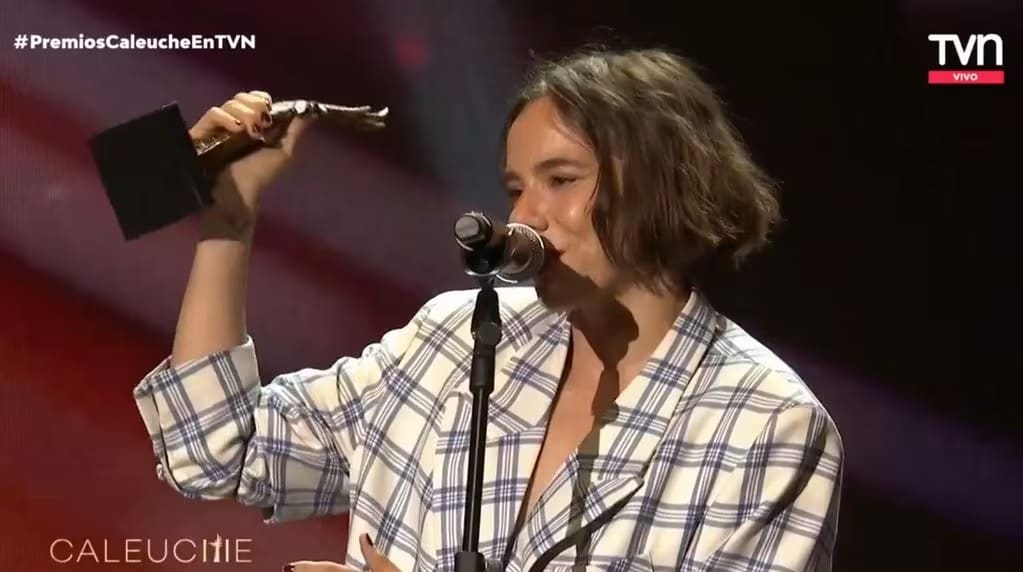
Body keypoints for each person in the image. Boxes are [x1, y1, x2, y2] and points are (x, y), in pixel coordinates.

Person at [133, 47, 843, 572]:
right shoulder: (457, 339)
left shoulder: (766, 424)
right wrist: (229, 219)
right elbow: (214, 451)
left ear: (659, 184)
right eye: (514, 189)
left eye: (560, 179)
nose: (524, 216)